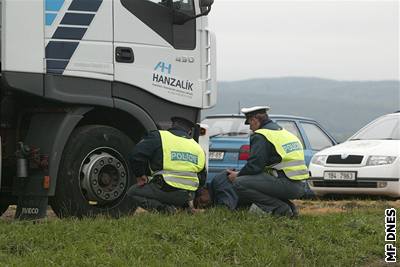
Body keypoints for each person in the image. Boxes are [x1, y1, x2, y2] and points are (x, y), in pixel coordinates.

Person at [227, 106, 309, 217]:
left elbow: (255, 166)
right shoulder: (285, 133)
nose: (250, 128)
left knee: (240, 182)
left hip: (286, 183)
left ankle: (281, 209)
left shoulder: (261, 135)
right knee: (262, 182)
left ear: (254, 120)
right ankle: (291, 209)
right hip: (300, 185)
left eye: (250, 124)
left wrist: (237, 175)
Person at [127, 116, 206, 213]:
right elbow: (202, 178)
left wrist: (140, 175)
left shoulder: (160, 136)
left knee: (132, 192)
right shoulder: (198, 147)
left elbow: (136, 155)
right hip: (187, 196)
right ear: (190, 132)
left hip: (165, 189)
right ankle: (183, 208)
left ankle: (165, 210)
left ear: (172, 126)